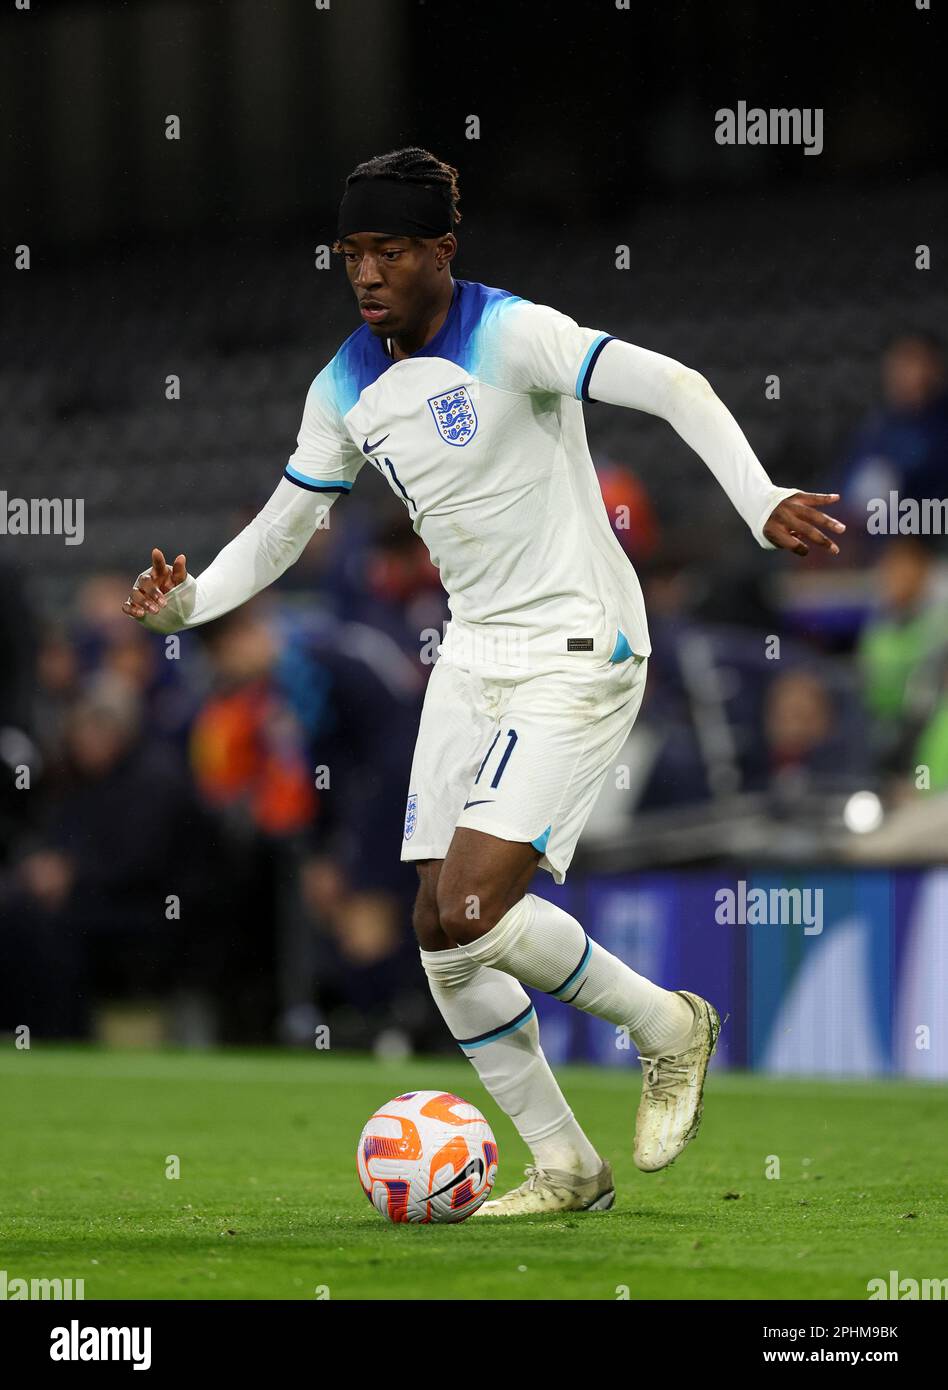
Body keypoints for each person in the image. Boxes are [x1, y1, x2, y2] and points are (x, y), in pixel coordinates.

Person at [122, 147, 844, 1215]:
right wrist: (194, 605)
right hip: (473, 652)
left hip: (578, 643)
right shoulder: (344, 384)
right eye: (352, 253)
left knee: (474, 906)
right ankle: (566, 1165)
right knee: (436, 930)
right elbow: (285, 525)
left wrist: (756, 496)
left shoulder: (511, 333)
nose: (367, 273)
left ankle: (668, 1027)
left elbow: (674, 384)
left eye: (391, 251)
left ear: (441, 252)